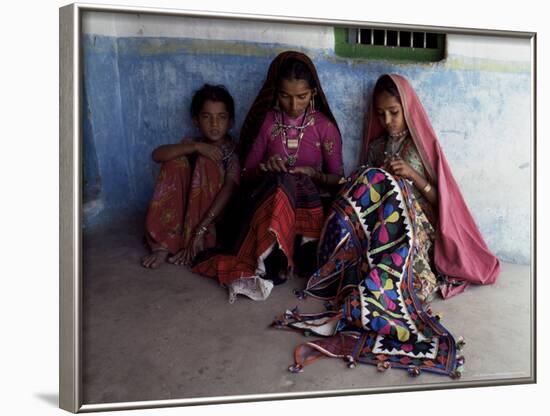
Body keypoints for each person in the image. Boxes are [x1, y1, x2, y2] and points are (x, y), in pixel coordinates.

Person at [272, 74, 500, 378]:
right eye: (381, 114)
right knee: (366, 182)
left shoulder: (422, 147)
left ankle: (393, 280)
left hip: (417, 230)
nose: (388, 120)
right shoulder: (377, 147)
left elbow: (441, 204)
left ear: (408, 108)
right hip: (382, 230)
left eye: (394, 112)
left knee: (386, 189)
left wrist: (411, 178)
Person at [193, 51, 344, 302]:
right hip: (268, 203)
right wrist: (265, 168)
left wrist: (313, 174)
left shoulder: (324, 128)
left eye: (301, 97)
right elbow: (246, 174)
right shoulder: (267, 122)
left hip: (308, 208)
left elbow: (338, 180)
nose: (293, 105)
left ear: (313, 94)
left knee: (296, 182)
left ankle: (295, 254)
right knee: (280, 181)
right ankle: (272, 259)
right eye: (285, 96)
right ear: (275, 93)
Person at [141, 84, 240, 269]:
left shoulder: (232, 153)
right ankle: (165, 242)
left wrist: (200, 230)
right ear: (196, 120)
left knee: (207, 163)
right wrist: (196, 147)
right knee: (174, 161)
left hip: (214, 218)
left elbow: (229, 190)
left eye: (221, 117)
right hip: (187, 211)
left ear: (231, 121)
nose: (214, 124)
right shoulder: (194, 143)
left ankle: (193, 242)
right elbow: (157, 155)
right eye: (207, 117)